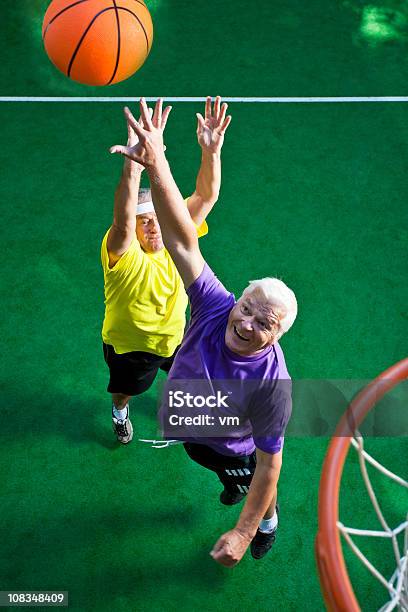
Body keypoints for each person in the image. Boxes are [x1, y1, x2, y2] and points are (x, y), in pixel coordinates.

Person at [110, 98, 297, 567]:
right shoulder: (216, 304)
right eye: (247, 306)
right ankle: (235, 488)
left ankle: (268, 522)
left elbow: (270, 465)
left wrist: (243, 530)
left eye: (263, 323)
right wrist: (157, 163)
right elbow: (181, 239)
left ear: (276, 338)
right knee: (224, 471)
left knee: (254, 482)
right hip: (193, 430)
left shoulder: (272, 387)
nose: (247, 321)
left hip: (233, 445)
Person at [102, 97, 231, 444]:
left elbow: (206, 196)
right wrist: (135, 166)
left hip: (178, 337)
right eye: (144, 221)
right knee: (127, 391)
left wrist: (211, 151)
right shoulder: (123, 254)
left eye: (157, 219)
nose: (153, 227)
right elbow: (122, 220)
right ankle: (119, 411)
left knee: (189, 382)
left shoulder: (177, 240)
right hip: (133, 348)